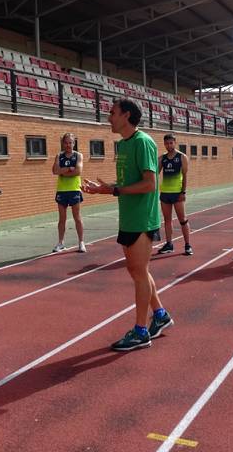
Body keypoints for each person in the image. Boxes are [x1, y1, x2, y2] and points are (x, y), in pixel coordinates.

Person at [82, 98, 174, 351]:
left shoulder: (143, 142)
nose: (108, 117)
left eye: (112, 113)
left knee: (139, 272)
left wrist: (114, 191)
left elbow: (150, 184)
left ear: (127, 115)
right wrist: (105, 189)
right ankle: (160, 315)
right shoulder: (123, 144)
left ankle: (141, 331)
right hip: (129, 216)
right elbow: (126, 183)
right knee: (137, 271)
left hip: (143, 218)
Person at [157, 133, 193, 255]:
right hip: (165, 194)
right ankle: (169, 244)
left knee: (182, 220)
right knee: (167, 220)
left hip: (177, 194)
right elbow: (154, 172)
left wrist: (183, 192)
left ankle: (187, 245)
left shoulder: (182, 157)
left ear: (175, 142)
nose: (169, 145)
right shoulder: (162, 158)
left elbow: (186, 176)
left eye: (171, 143)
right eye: (166, 143)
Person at [52, 133, 86, 253]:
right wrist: (67, 169)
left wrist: (63, 172)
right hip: (61, 190)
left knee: (77, 217)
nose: (68, 145)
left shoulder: (78, 155)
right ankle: (60, 243)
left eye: (70, 142)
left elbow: (77, 171)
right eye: (66, 142)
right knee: (62, 219)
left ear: (74, 143)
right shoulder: (59, 155)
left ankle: (81, 242)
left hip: (74, 190)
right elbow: (55, 171)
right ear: (63, 143)